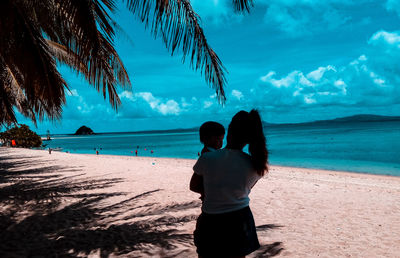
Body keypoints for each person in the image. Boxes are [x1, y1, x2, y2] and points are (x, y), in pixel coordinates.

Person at [190, 110, 268, 258]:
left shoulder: (208, 158)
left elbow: (193, 186)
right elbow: (243, 190)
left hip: (211, 220)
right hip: (240, 220)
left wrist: (209, 192)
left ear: (229, 130)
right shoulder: (256, 166)